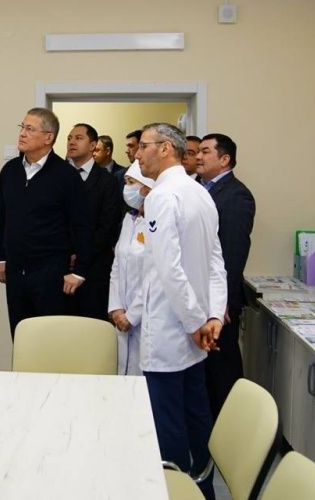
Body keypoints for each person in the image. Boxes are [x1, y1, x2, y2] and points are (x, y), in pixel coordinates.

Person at [134, 122, 227, 499]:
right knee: (196, 418)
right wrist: (213, 317)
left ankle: (173, 492)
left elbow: (168, 269)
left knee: (168, 426)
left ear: (165, 149)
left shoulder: (162, 195)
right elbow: (216, 264)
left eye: (143, 146)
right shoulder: (199, 192)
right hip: (196, 333)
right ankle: (203, 491)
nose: (137, 154)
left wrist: (194, 323)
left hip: (172, 333)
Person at [0, 108, 93, 338]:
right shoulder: (10, 171)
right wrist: (1, 257)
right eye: (22, 127)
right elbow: (0, 217)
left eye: (30, 129)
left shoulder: (66, 175)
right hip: (15, 272)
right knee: (20, 336)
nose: (22, 133)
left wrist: (80, 271)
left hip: (51, 274)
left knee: (49, 339)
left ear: (48, 137)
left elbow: (83, 225)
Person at [196, 133, 256, 419]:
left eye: (206, 151)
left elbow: (232, 252)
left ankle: (230, 427)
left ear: (224, 159)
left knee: (222, 369)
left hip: (220, 303)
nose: (198, 156)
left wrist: (222, 303)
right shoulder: (200, 188)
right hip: (203, 296)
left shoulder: (235, 195)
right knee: (206, 369)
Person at [65, 123, 121, 320]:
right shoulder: (58, 177)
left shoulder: (107, 181)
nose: (72, 142)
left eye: (78, 138)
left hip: (94, 269)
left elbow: (108, 226)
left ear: (92, 145)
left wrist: (81, 256)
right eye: (69, 138)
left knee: (92, 327)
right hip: (61, 267)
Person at [108, 161, 154, 375]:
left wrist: (132, 315)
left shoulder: (155, 223)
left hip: (145, 318)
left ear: (147, 188)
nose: (126, 188)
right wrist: (116, 308)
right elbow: (117, 266)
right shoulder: (129, 219)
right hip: (121, 315)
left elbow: (155, 275)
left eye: (130, 182)